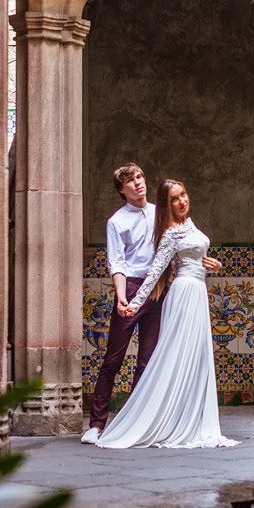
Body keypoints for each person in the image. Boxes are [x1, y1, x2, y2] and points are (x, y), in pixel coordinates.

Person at [95, 179, 239, 449]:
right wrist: (134, 303)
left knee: (198, 357)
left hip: (198, 292)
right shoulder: (170, 233)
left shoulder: (189, 223)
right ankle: (156, 419)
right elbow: (154, 274)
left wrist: (215, 265)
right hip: (184, 294)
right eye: (174, 199)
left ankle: (192, 419)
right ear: (166, 204)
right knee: (175, 356)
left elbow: (196, 257)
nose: (182, 201)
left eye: (183, 194)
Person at [81, 164, 161, 444]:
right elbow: (117, 262)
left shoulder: (161, 212)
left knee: (147, 361)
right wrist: (122, 296)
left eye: (139, 177)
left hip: (159, 289)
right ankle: (96, 424)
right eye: (130, 181)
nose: (138, 183)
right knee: (112, 359)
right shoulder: (117, 221)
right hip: (131, 288)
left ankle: (132, 421)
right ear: (121, 190)